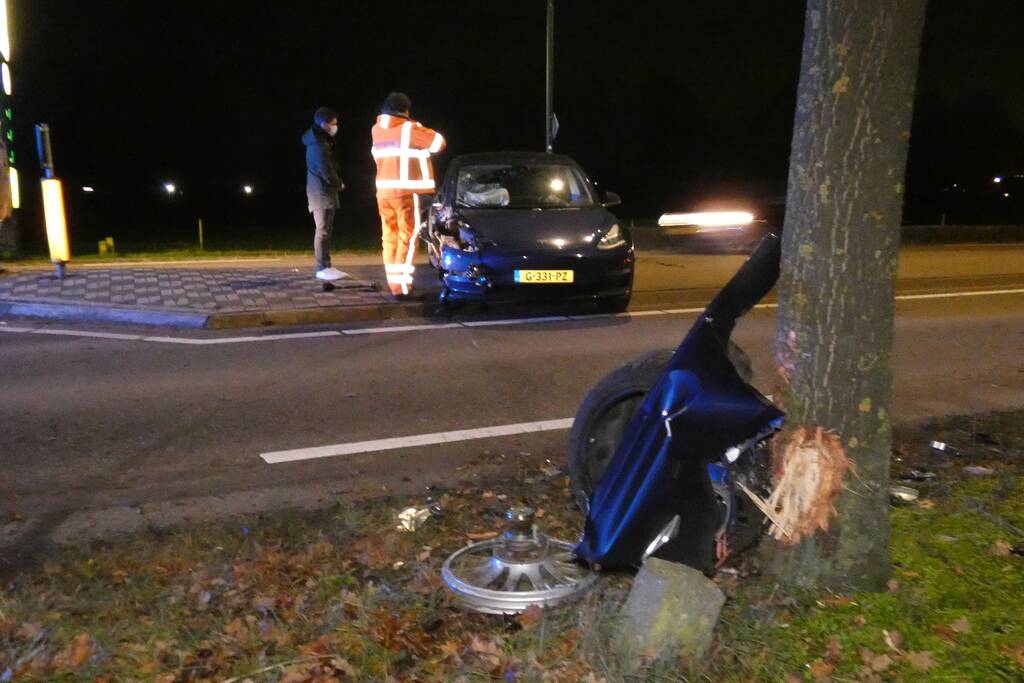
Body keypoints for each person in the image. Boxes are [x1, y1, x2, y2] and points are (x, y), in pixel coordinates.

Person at [370, 92, 446, 297]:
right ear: (405, 111)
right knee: (408, 238)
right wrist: (415, 124)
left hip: (384, 193)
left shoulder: (376, 129)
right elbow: (439, 143)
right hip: (406, 192)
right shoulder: (409, 129)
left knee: (389, 237)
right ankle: (403, 287)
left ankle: (394, 282)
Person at [303, 106, 347, 281]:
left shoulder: (321, 141)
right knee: (322, 230)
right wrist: (338, 183)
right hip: (321, 193)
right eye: (333, 124)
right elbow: (325, 170)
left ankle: (326, 266)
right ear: (324, 124)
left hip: (323, 192)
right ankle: (322, 267)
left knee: (326, 230)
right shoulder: (318, 145)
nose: (335, 127)